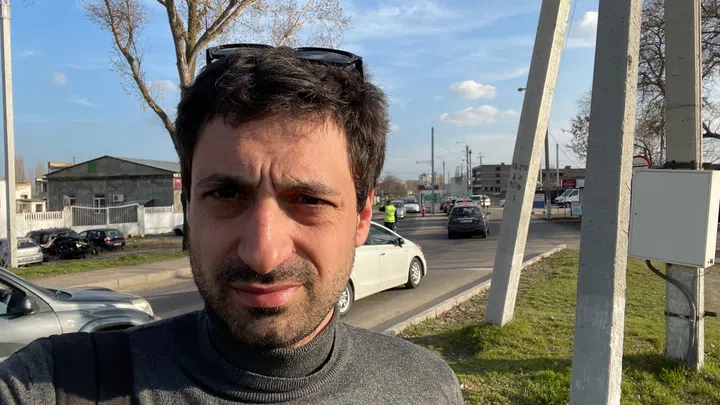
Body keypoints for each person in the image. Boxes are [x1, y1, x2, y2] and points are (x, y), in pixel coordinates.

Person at [0, 45, 463, 404]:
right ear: (189, 207)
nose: (262, 254)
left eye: (308, 200)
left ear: (362, 218)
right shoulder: (57, 384)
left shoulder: (426, 389)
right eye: (225, 194)